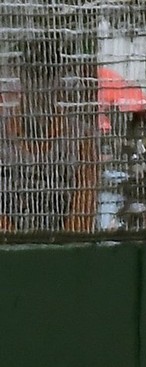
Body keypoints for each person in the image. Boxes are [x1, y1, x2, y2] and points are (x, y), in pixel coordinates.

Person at [0, 36, 100, 234]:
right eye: (33, 73)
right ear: (20, 74)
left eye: (48, 74)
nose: (40, 84)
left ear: (59, 77)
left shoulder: (81, 139)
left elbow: (82, 217)